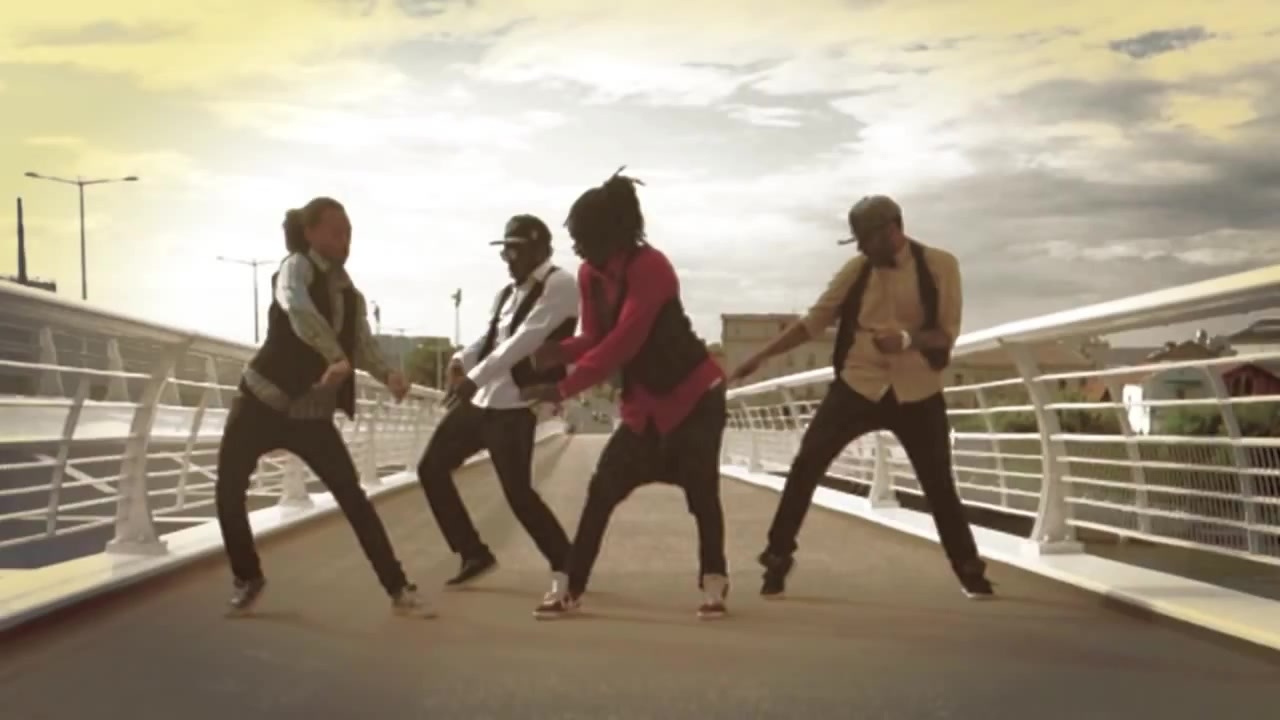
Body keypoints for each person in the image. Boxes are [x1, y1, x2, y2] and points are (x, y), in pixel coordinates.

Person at [729, 194, 994, 600]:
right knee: (806, 465)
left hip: (917, 390)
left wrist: (905, 340)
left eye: (867, 239)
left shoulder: (940, 266)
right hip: (857, 386)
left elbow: (945, 335)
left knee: (938, 484)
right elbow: (812, 323)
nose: (863, 249)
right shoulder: (857, 270)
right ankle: (777, 558)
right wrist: (760, 357)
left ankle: (970, 570)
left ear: (892, 230)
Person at [520, 168, 730, 621]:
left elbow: (625, 342)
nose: (576, 247)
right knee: (601, 491)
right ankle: (571, 588)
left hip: (694, 399)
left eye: (581, 237)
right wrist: (556, 351)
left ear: (609, 233)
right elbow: (595, 337)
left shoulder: (652, 268)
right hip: (643, 409)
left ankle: (714, 582)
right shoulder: (590, 276)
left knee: (702, 493)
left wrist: (562, 387)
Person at [215, 196, 434, 617]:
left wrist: (388, 375)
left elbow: (363, 345)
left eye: (349, 233)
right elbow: (297, 308)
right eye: (336, 232)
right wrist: (334, 356)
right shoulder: (294, 267)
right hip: (262, 399)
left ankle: (398, 587)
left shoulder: (352, 295)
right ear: (310, 232)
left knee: (353, 498)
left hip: (310, 413)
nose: (345, 240)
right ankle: (248, 576)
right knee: (229, 489)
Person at [415, 214, 577, 590]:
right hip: (482, 402)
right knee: (431, 468)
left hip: (514, 406)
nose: (508, 259)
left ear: (541, 249)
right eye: (505, 251)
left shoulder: (560, 285)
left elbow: (525, 339)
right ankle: (472, 552)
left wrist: (474, 378)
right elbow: (491, 339)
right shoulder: (506, 294)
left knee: (518, 495)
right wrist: (461, 360)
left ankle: (568, 562)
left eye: (515, 251)